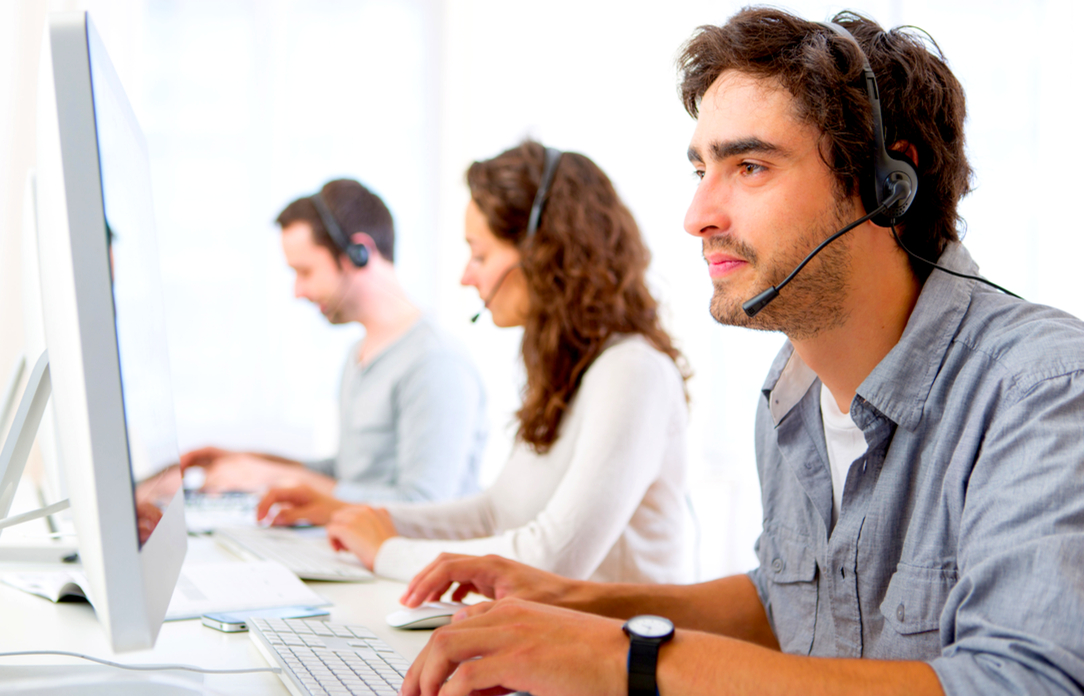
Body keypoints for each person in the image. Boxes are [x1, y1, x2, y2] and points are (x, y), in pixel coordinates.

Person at [395, 9, 1084, 696]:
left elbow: (1020, 684)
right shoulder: (792, 391)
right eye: (702, 168)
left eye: (749, 166)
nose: (698, 216)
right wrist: (572, 604)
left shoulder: (1042, 390)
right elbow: (787, 604)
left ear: (885, 188)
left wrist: (629, 661)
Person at [256, 141, 696, 585]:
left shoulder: (632, 372)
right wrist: (359, 516)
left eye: (481, 255)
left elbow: (552, 558)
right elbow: (494, 512)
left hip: (613, 648)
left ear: (543, 252)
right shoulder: (568, 371)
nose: (468, 276)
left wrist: (387, 551)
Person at [180, 178, 487, 509]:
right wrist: (251, 464)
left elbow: (423, 504)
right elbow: (347, 479)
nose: (298, 291)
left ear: (358, 254)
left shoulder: (435, 362)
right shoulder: (361, 354)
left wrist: (275, 477)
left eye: (305, 271)